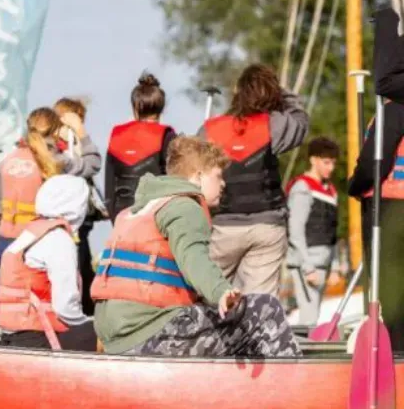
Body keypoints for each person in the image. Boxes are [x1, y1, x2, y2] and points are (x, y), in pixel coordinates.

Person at [92, 136, 301, 357]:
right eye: (218, 176)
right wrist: (220, 291)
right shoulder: (185, 207)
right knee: (266, 309)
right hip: (153, 333)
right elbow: (194, 259)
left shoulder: (136, 211)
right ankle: (296, 376)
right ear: (198, 176)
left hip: (117, 339)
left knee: (222, 321)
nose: (224, 184)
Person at [198, 64, 309, 296]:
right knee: (260, 303)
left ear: (237, 93)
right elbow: (300, 121)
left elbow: (192, 170)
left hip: (223, 228)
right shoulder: (273, 124)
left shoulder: (210, 130)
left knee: (209, 296)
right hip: (267, 226)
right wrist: (282, 93)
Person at [349, 6, 404, 351]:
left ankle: (398, 358)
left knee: (392, 294)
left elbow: (375, 163)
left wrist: (355, 186)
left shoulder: (394, 110)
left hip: (392, 206)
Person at [0, 107, 101, 274]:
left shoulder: (8, 160)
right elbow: (93, 164)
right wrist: (80, 130)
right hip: (37, 246)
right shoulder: (56, 161)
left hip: (6, 246)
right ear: (56, 131)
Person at [0, 174, 97, 351]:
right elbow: (65, 307)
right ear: (77, 205)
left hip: (13, 334)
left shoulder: (32, 231)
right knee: (104, 336)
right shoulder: (59, 239)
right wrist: (88, 324)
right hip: (39, 335)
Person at [54, 97, 106, 316]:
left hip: (81, 224)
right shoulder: (59, 153)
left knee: (84, 272)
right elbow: (93, 164)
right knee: (79, 274)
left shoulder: (70, 149)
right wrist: (82, 133)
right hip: (69, 226)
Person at [104, 72, 176, 222]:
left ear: (135, 108)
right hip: (154, 217)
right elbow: (173, 182)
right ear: (161, 109)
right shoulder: (167, 135)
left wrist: (115, 220)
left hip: (122, 217)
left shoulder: (116, 134)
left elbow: (109, 186)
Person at [286, 137, 342, 325]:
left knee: (314, 317)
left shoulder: (331, 191)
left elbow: (332, 231)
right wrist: (307, 267)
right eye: (326, 162)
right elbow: (295, 230)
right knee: (308, 319)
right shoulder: (302, 187)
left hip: (323, 264)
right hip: (306, 265)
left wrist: (335, 267)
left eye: (333, 163)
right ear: (313, 160)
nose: (331, 168)